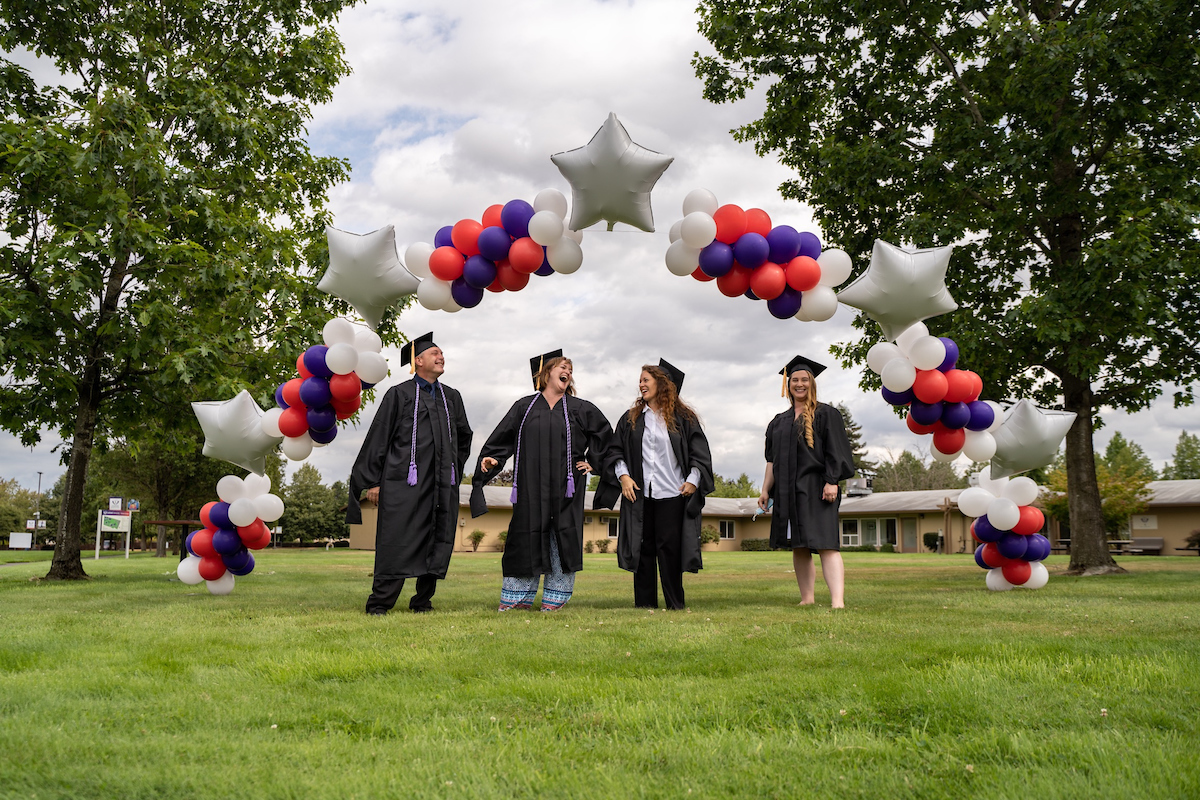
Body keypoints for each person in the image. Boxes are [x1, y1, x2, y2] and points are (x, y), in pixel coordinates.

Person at [471, 350, 612, 611]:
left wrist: (595, 463)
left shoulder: (581, 408)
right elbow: (500, 440)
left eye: (570, 368)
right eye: (562, 366)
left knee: (563, 537)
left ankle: (555, 597)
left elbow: (606, 439)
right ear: (546, 373)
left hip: (567, 486)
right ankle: (517, 598)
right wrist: (492, 460)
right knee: (525, 535)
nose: (567, 371)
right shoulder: (524, 408)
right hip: (530, 486)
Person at [347, 332, 472, 615]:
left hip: (441, 484)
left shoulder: (451, 397)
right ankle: (380, 604)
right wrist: (375, 481)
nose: (441, 357)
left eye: (442, 353)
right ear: (418, 361)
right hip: (403, 483)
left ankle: (422, 601)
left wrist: (453, 468)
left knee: (438, 536)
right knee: (397, 538)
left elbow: (463, 437)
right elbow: (379, 437)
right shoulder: (399, 394)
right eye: (435, 353)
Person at [596, 359, 714, 610]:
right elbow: (614, 451)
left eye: (645, 380)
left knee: (669, 551)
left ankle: (675, 604)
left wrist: (693, 480)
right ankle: (645, 605)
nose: (640, 385)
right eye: (640, 381)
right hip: (640, 495)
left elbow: (700, 453)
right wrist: (624, 477)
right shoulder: (632, 418)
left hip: (672, 493)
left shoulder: (683, 418)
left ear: (662, 384)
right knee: (643, 549)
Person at [757, 355, 855, 608]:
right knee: (799, 546)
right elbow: (771, 461)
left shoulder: (826, 414)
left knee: (826, 544)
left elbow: (836, 450)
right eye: (795, 380)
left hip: (818, 487)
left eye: (804, 380)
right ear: (787, 384)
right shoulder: (778, 422)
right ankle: (807, 598)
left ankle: (837, 601)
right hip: (788, 490)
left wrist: (832, 481)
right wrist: (766, 490)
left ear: (812, 383)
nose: (799, 384)